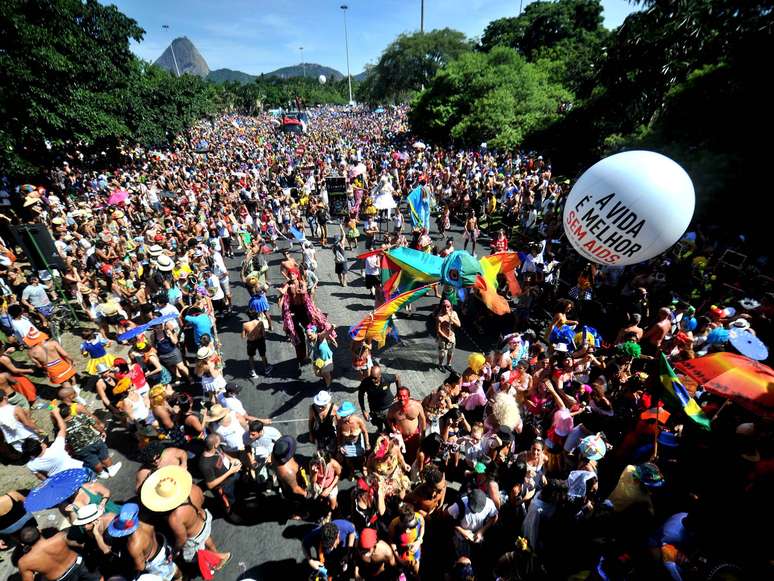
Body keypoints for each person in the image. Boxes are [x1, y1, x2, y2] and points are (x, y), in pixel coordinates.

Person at [140, 466, 231, 569]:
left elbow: (181, 539)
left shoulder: (175, 518)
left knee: (199, 555)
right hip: (204, 521)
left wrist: (176, 550)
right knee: (206, 538)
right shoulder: (194, 489)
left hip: (193, 537)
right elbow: (201, 500)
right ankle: (215, 553)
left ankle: (215, 560)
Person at [106, 503, 182, 581]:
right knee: (171, 566)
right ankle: (179, 577)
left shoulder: (133, 545)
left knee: (165, 575)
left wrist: (132, 566)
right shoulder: (145, 520)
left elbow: (141, 567)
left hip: (155, 562)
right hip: (161, 547)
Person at [58, 401, 122, 479]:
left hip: (80, 449)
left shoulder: (61, 428)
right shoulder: (81, 416)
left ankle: (102, 473)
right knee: (104, 455)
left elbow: (64, 440)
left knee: (92, 460)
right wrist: (102, 431)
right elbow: (95, 425)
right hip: (95, 441)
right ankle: (111, 468)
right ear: (70, 410)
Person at [17, 525, 101, 581]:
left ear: (22, 543)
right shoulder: (60, 537)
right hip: (80, 565)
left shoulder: (24, 562)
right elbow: (82, 545)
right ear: (39, 531)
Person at [23, 406, 83, 479]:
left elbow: (43, 478)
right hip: (78, 471)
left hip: (62, 481)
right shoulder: (56, 447)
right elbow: (63, 428)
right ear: (43, 445)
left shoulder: (31, 465)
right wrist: (56, 413)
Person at [447, 489, 499, 559]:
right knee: (464, 558)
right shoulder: (459, 505)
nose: (475, 511)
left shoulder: (489, 504)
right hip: (461, 538)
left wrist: (481, 531)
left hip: (478, 535)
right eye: (473, 509)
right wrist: (463, 531)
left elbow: (494, 517)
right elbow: (447, 517)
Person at [198, 433, 242, 514]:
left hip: (232, 474)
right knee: (231, 498)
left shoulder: (215, 448)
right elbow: (210, 485)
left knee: (238, 490)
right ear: (214, 445)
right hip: (225, 485)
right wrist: (230, 472)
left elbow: (222, 454)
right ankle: (231, 509)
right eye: (219, 442)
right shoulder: (205, 464)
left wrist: (232, 459)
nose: (220, 443)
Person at [388, 386, 427, 464]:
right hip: (402, 437)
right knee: (403, 455)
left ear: (408, 396)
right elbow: (389, 419)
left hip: (415, 435)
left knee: (416, 453)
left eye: (404, 396)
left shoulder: (417, 405)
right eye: (400, 396)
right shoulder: (393, 409)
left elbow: (423, 419)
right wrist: (393, 428)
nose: (402, 398)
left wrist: (423, 434)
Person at [357, 364, 397, 434]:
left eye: (375, 378)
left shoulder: (386, 378)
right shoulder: (366, 382)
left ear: (380, 376)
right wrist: (364, 411)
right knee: (378, 425)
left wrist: (399, 391)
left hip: (388, 408)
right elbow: (360, 395)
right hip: (375, 410)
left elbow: (397, 377)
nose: (372, 380)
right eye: (371, 377)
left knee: (390, 427)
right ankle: (380, 431)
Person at [242, 310, 272, 378]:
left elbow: (243, 336)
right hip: (260, 341)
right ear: (256, 315)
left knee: (251, 356)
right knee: (263, 355)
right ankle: (266, 369)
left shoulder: (245, 324)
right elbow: (264, 335)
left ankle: (253, 371)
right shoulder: (260, 323)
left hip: (251, 342)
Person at [436, 299, 461, 371]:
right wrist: (446, 338)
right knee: (443, 353)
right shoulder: (440, 316)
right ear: (441, 306)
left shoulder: (454, 313)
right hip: (443, 338)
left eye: (448, 306)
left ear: (451, 306)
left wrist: (451, 318)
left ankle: (448, 364)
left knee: (451, 351)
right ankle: (440, 364)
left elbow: (459, 325)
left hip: (452, 336)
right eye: (444, 306)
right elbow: (438, 330)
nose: (446, 308)